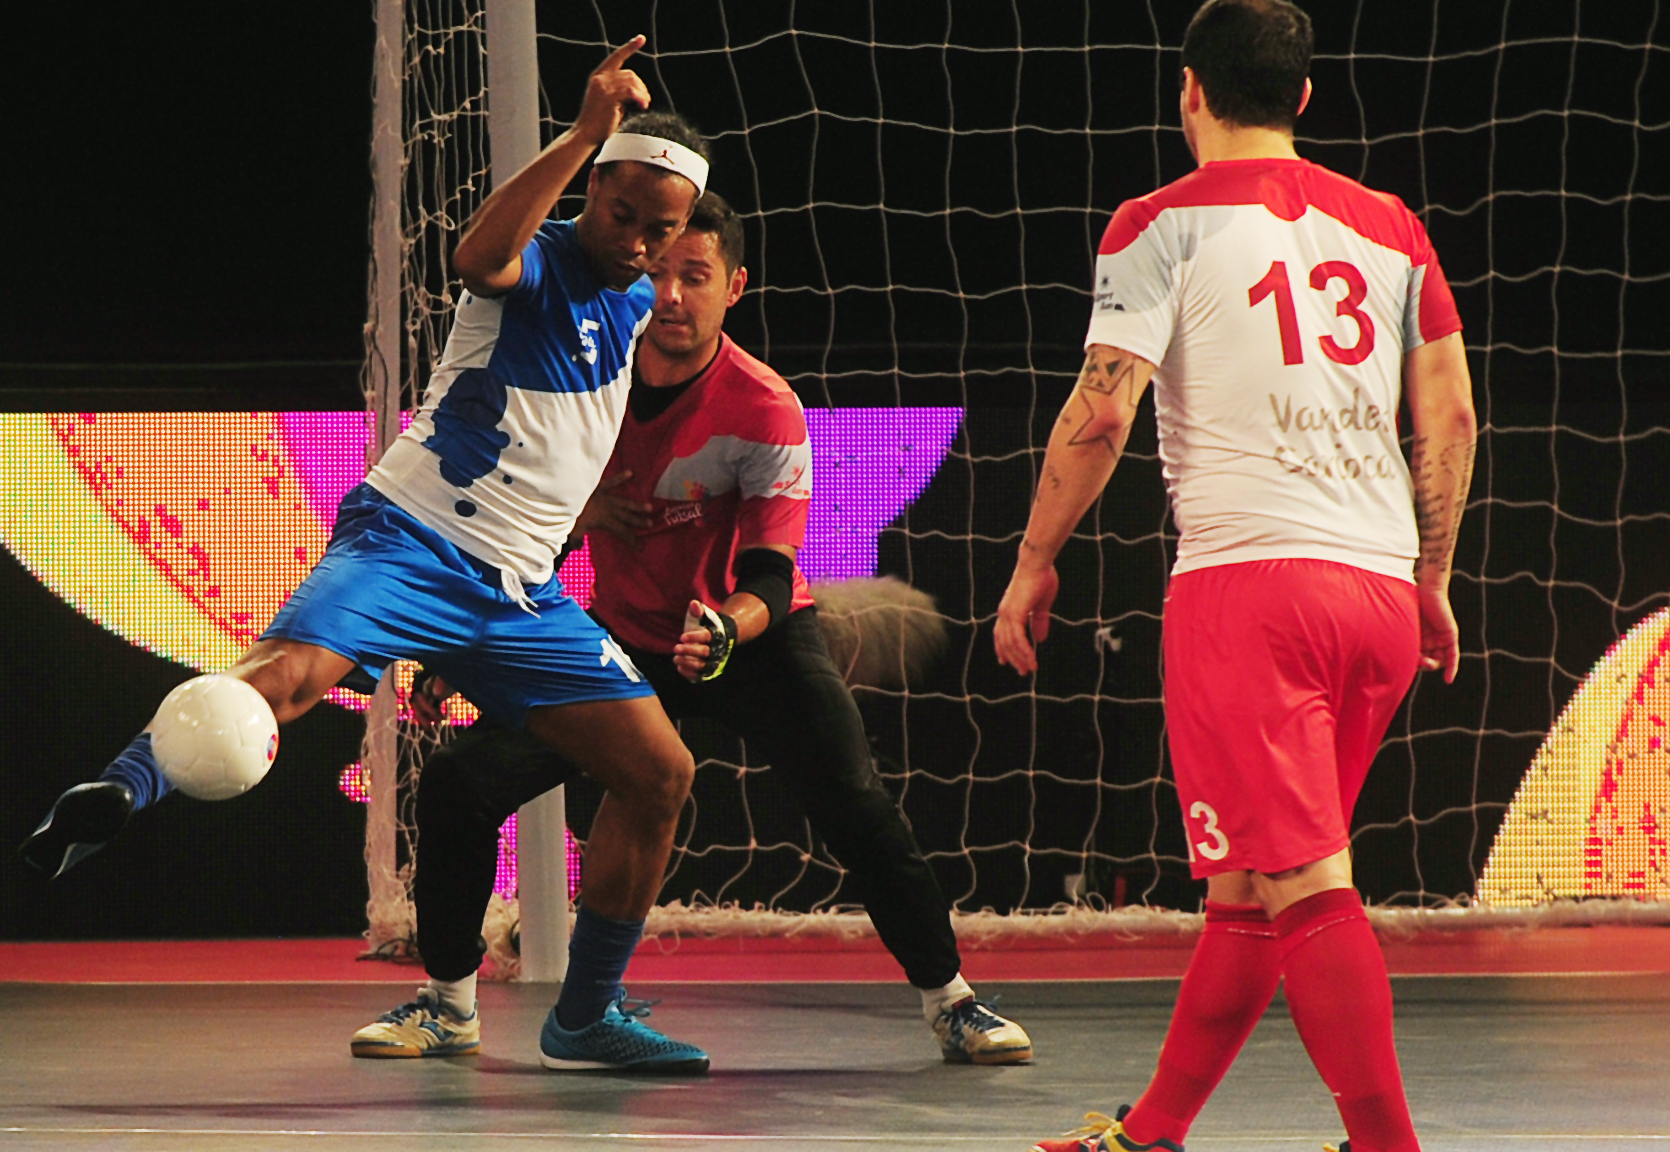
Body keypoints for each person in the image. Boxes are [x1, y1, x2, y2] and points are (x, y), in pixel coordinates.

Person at [22, 38, 716, 1074]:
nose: (638, 243)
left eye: (660, 233)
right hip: (412, 543)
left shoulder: (635, 297)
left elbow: (565, 423)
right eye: (622, 216)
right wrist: (579, 136)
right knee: (292, 681)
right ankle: (121, 790)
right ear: (593, 191)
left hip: (521, 593)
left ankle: (584, 1019)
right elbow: (476, 261)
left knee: (659, 772)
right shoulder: (544, 255)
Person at [355, 190, 1034, 1067]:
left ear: (734, 287)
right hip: (620, 640)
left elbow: (770, 573)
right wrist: (475, 631)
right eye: (658, 272)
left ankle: (954, 1003)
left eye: (696, 276)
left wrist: (730, 627)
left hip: (749, 638)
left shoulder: (763, 408)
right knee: (459, 784)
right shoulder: (582, 380)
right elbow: (516, 522)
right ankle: (448, 1005)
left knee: (855, 805)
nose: (671, 295)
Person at [1000, 2, 1475, 1150]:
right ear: (1303, 98)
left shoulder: (1153, 223)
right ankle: (1154, 1131)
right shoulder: (1394, 228)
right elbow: (1449, 414)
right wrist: (1431, 577)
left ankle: (1384, 1145)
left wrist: (1031, 563)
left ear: (1188, 91)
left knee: (1306, 886)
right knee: (1248, 888)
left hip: (1246, 590)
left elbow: (1102, 409)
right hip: (1371, 592)